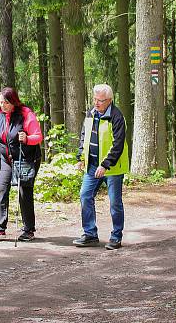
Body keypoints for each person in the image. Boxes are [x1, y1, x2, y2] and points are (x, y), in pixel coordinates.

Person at [0, 87, 43, 241]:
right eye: (1, 102)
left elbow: (38, 136)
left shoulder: (26, 114)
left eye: (6, 102)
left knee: (24, 191)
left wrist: (27, 138)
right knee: (0, 188)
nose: (3, 105)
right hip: (6, 158)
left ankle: (28, 230)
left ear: (14, 101)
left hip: (25, 157)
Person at [73, 84, 130, 250]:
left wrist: (105, 164)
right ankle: (90, 234)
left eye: (101, 101)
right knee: (85, 196)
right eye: (95, 99)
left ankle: (116, 237)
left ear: (109, 100)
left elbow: (118, 145)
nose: (97, 103)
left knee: (115, 203)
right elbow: (84, 137)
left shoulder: (117, 117)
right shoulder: (91, 114)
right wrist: (80, 158)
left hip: (112, 168)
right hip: (91, 166)